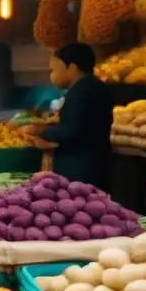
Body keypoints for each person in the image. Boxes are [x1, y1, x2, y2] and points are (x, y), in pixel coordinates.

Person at [25, 43, 113, 191]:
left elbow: (71, 130)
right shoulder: (94, 86)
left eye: (54, 69)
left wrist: (40, 133)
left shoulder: (81, 92)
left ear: (72, 68)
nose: (51, 75)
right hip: (96, 165)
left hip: (82, 171)